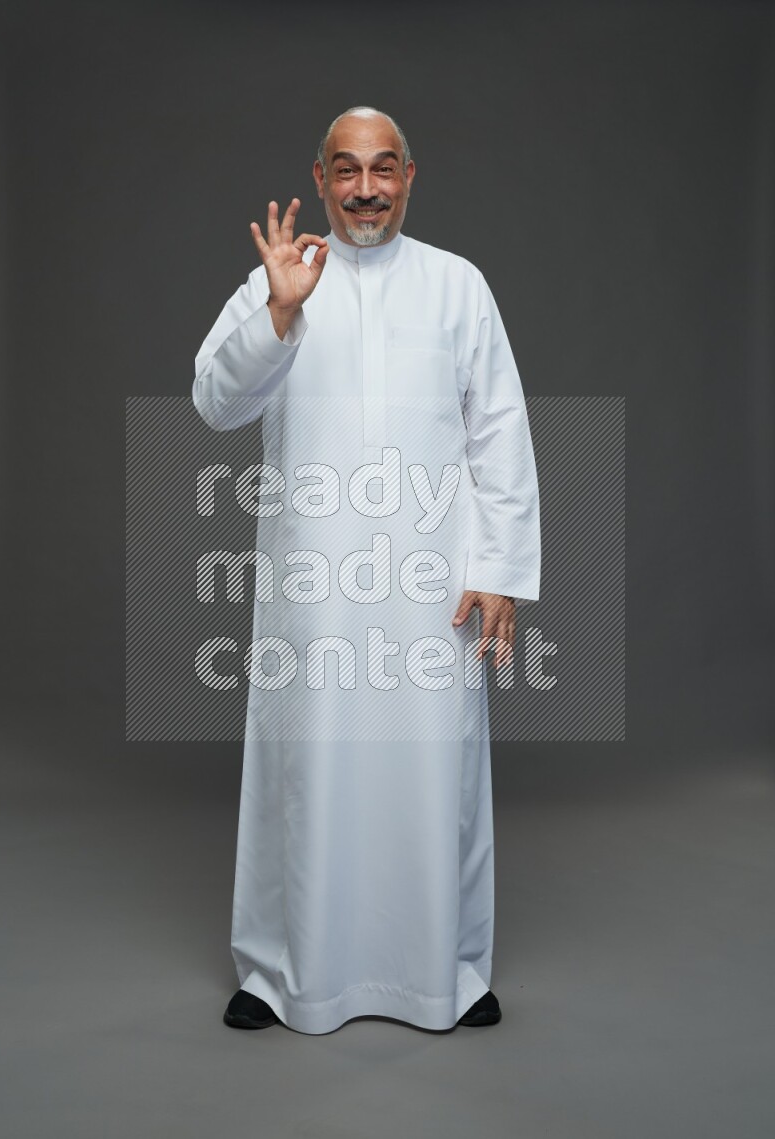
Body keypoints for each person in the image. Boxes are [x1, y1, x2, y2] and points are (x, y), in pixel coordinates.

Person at [192, 106, 541, 1034]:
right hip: (314, 587)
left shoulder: (457, 286)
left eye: (383, 169)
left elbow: (500, 430)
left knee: (439, 774)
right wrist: (278, 311)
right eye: (346, 170)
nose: (365, 188)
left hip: (435, 587)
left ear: (411, 177)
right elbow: (216, 401)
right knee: (302, 765)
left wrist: (501, 567)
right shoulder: (286, 278)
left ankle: (448, 971)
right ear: (319, 178)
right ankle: (278, 972)